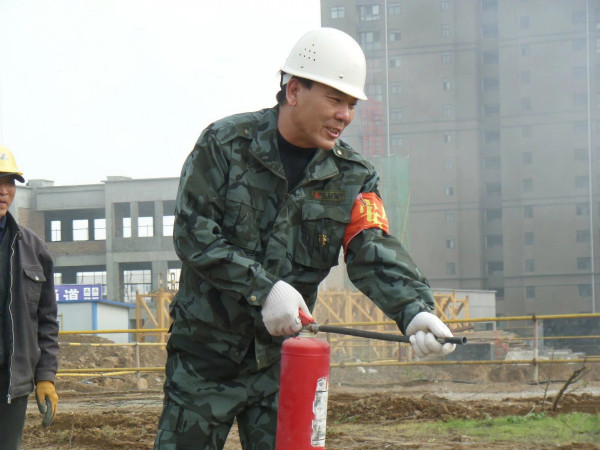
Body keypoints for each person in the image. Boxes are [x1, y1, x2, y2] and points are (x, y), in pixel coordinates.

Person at [155, 27, 456, 450]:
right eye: (335, 100)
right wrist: (265, 289)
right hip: (204, 362)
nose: (345, 115)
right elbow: (193, 234)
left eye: (352, 104)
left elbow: (370, 248)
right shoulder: (225, 145)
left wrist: (414, 309)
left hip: (284, 367)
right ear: (294, 90)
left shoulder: (353, 176)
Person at [0, 145, 59, 450]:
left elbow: (46, 319)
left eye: (9, 182)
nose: (3, 191)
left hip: (12, 383)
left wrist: (45, 376)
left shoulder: (32, 247)